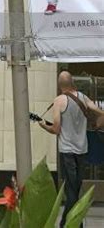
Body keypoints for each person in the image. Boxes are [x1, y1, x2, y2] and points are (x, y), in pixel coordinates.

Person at [36, 71, 104, 227]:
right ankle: (74, 223)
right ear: (72, 82)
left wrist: (42, 125)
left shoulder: (59, 101)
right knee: (75, 186)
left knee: (71, 189)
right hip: (82, 150)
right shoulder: (83, 97)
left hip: (67, 151)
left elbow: (56, 129)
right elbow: (101, 112)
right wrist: (99, 124)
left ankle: (67, 223)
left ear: (60, 85)